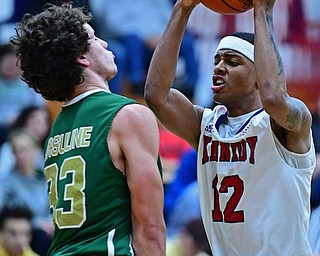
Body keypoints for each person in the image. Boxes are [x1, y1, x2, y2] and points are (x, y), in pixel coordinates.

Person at [144, 0, 316, 255]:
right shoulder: (205, 126)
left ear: (261, 75)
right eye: (216, 60)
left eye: (232, 62)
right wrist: (182, 9)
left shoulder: (287, 123)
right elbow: (156, 95)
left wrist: (262, 10)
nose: (218, 67)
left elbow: (274, 99)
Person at [11, 3, 166, 256]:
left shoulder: (56, 129)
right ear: (81, 58)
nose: (105, 44)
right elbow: (150, 227)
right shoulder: (128, 115)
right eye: (95, 39)